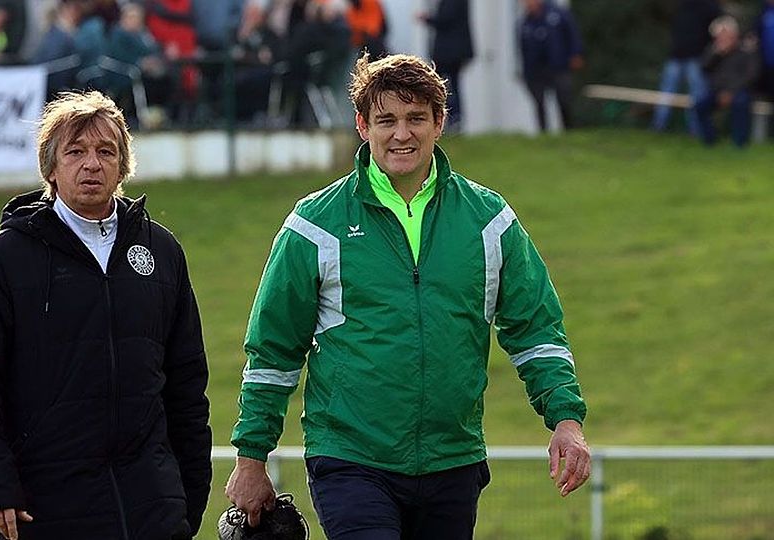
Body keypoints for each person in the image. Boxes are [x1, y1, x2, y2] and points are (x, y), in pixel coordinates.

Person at [226, 53, 590, 539]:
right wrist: (252, 458)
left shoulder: (489, 220)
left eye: (416, 118)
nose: (402, 134)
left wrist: (565, 419)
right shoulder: (313, 225)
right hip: (351, 459)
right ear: (362, 126)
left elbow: (536, 329)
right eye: (387, 120)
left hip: (453, 461)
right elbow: (273, 349)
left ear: (439, 123)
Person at [0, 90, 212, 540]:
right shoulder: (3, 258)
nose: (92, 163)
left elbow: (187, 385)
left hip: (153, 509)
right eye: (76, 151)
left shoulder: (162, 252)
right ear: (50, 167)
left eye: (106, 151)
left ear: (124, 166)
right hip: (45, 510)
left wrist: (187, 494)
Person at [650, 0, 722, 135]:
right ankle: (658, 126)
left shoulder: (711, 7)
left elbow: (716, 30)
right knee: (666, 92)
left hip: (696, 57)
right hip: (676, 55)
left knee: (697, 94)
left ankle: (695, 129)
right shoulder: (681, 5)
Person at [518, 0, 584, 133]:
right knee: (539, 103)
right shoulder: (524, 23)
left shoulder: (558, 14)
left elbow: (572, 34)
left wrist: (575, 54)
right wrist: (525, 73)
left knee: (564, 100)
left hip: (559, 66)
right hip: (536, 70)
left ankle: (569, 130)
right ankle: (543, 132)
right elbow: (522, 50)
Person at [694, 15, 759, 147]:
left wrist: (730, 92)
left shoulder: (747, 50)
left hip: (739, 91)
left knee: (741, 103)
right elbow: (704, 68)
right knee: (700, 105)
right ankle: (710, 140)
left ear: (734, 35)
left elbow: (752, 75)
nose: (722, 39)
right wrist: (717, 54)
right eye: (718, 36)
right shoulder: (714, 50)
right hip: (717, 91)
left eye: (725, 35)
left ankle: (740, 143)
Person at [419, 0, 473, 131]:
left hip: (449, 53)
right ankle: (453, 119)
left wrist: (428, 19)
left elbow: (445, 19)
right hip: (453, 52)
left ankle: (453, 119)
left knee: (446, 86)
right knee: (451, 85)